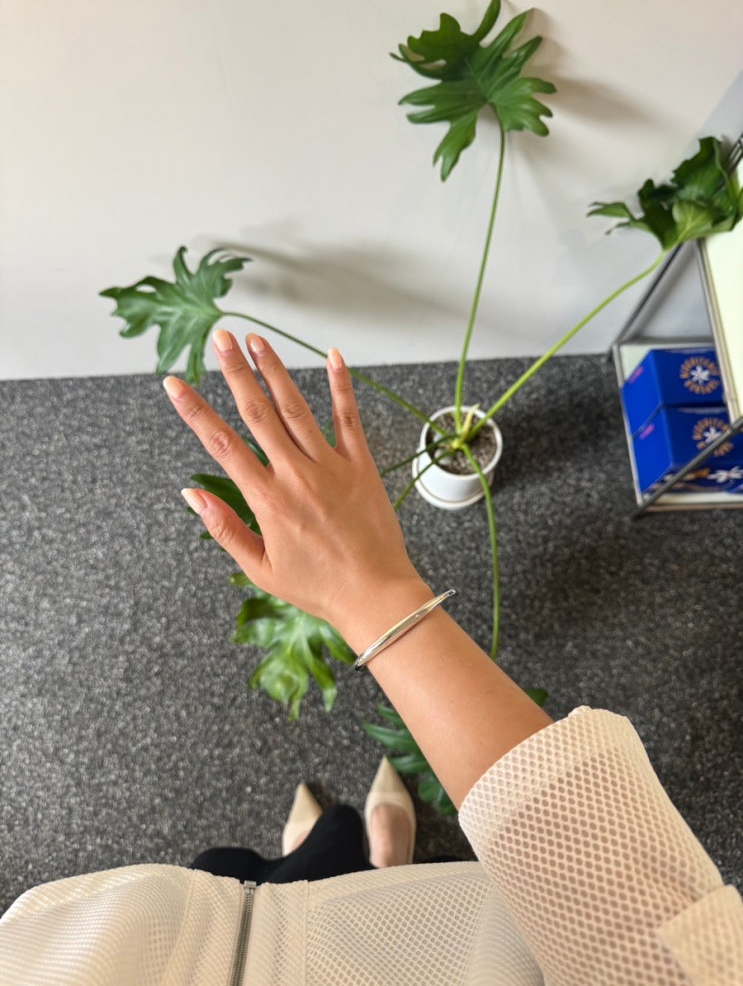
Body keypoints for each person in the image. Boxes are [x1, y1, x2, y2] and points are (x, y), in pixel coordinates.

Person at [1, 332, 741, 985]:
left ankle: (333, 868)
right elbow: (657, 948)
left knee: (277, 875)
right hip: (427, 955)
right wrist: (370, 592)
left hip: (175, 930)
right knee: (382, 899)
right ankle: (387, 866)